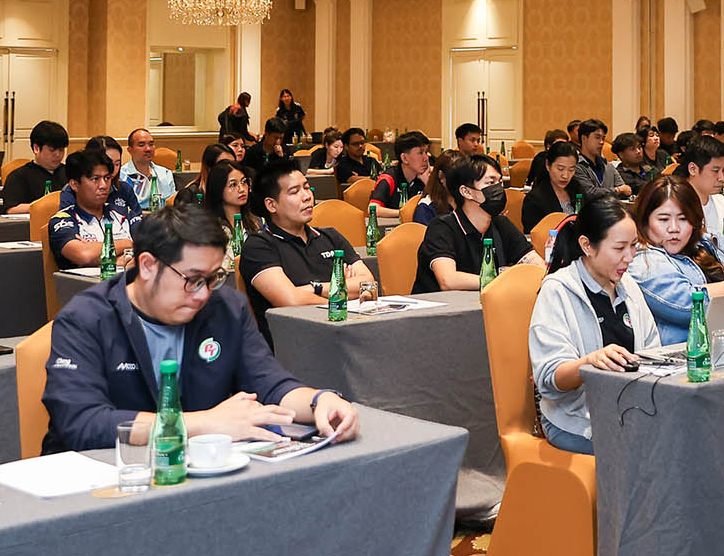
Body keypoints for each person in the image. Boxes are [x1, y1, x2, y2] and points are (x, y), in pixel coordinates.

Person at [40, 204, 359, 453]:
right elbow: (82, 422)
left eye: (213, 278)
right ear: (148, 266)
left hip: (201, 471)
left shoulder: (226, 309)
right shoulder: (85, 318)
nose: (204, 294)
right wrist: (205, 423)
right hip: (106, 477)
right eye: (192, 280)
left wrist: (320, 401)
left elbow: (270, 383)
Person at [527, 194, 659, 455]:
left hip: (630, 410)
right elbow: (550, 378)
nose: (629, 257)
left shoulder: (628, 286)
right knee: (656, 450)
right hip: (575, 419)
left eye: (634, 246)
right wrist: (590, 362)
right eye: (619, 248)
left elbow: (653, 351)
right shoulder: (558, 290)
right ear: (587, 245)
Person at [239, 163, 373, 343]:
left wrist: (314, 289)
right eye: (294, 192)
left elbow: (367, 284)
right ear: (271, 205)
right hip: (296, 344)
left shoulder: (330, 236)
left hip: (346, 335)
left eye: (307, 187)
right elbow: (291, 301)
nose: (307, 196)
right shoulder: (259, 246)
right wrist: (344, 300)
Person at [630, 176, 724, 343]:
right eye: (663, 219)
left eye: (683, 219)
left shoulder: (712, 240)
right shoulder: (642, 259)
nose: (674, 228)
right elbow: (686, 305)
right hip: (682, 353)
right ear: (645, 221)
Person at [415, 153, 538, 293]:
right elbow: (448, 280)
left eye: (500, 182)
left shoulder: (501, 223)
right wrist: (503, 279)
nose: (498, 189)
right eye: (490, 183)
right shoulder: (441, 227)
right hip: (443, 305)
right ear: (466, 192)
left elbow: (537, 265)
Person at [47, 148, 133, 270]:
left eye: (107, 178)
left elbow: (150, 248)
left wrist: (97, 254)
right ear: (74, 184)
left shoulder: (123, 213)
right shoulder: (63, 220)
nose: (103, 185)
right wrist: (127, 244)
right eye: (95, 179)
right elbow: (84, 255)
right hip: (83, 282)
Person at [680, 135, 724, 254]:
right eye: (715, 171)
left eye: (723, 170)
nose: (722, 178)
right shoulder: (675, 207)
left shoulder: (723, 203)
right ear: (693, 169)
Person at [1, 119, 70, 213]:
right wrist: (45, 207)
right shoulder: (19, 176)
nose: (58, 155)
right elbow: (11, 209)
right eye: (52, 150)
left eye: (61, 150)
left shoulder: (69, 173)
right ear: (36, 148)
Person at [368, 129, 432, 229]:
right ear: (404, 158)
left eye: (426, 152)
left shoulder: (425, 176)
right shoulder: (388, 178)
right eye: (420, 153)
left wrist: (427, 182)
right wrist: (403, 213)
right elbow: (373, 209)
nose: (426, 158)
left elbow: (442, 207)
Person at [524, 140, 585, 228]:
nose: (565, 175)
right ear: (548, 165)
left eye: (571, 170)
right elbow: (534, 232)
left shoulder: (578, 189)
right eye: (560, 169)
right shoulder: (535, 199)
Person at [118, 128, 176, 209]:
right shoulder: (121, 176)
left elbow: (173, 205)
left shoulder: (165, 174)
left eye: (151, 144)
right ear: (130, 150)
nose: (148, 149)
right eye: (141, 145)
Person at [571, 119, 629, 199]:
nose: (601, 142)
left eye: (603, 138)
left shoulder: (608, 165)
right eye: (597, 137)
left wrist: (620, 190)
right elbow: (590, 193)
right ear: (584, 138)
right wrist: (618, 190)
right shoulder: (576, 166)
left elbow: (626, 190)